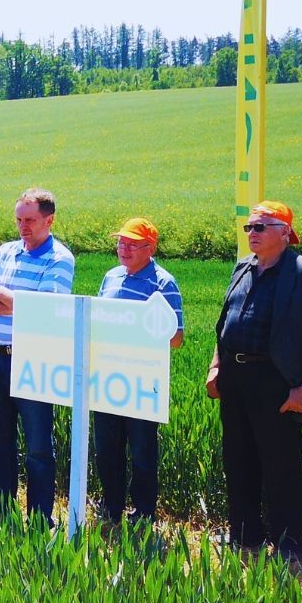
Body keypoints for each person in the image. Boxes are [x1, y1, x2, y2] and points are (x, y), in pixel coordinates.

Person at [207, 202, 302, 564]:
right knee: (238, 462)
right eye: (249, 227)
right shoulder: (242, 268)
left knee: (281, 468)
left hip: (277, 383)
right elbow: (224, 326)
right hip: (235, 381)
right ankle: (245, 539)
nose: (252, 233)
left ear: (285, 232)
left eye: (261, 227)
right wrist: (215, 368)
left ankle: (289, 549)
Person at [0, 188, 76, 524]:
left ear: (49, 220)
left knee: (39, 448)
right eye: (18, 219)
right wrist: (14, 303)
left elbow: (43, 310)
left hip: (35, 358)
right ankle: (2, 516)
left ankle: (41, 519)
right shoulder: (6, 251)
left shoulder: (60, 258)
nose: (22, 226)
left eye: (29, 220)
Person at [94, 218, 185, 533]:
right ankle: (111, 508)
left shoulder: (163, 283)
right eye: (121, 242)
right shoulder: (110, 277)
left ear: (151, 248)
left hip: (143, 382)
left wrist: (140, 329)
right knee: (106, 449)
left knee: (142, 452)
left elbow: (176, 338)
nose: (125, 249)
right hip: (106, 379)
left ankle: (143, 514)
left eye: (133, 244)